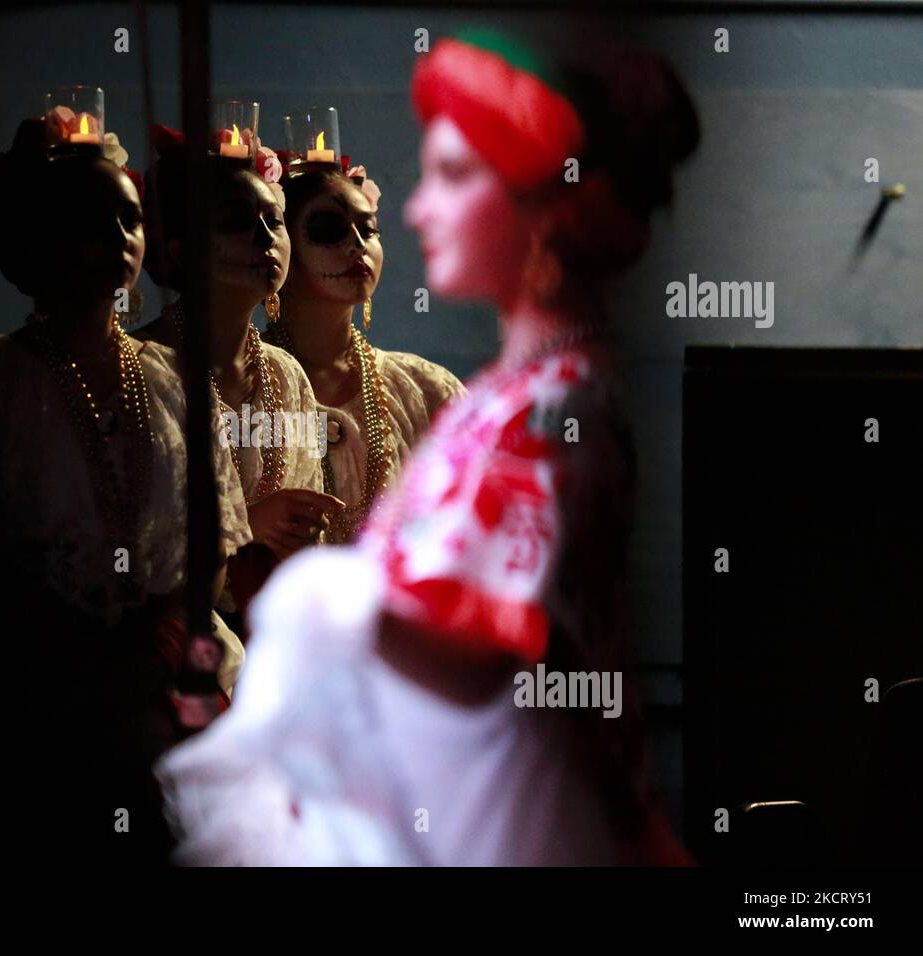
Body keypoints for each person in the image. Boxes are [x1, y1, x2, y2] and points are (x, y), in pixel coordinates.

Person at [156, 30, 699, 866]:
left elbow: (505, 648)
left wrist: (323, 610)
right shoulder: (499, 400)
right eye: (331, 228)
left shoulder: (542, 407)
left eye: (451, 176)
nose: (407, 216)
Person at [0, 118, 251, 862]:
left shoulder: (170, 375)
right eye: (92, 220)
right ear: (34, 241)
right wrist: (83, 658)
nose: (120, 236)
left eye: (130, 218)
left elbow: (213, 528)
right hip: (45, 674)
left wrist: (160, 639)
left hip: (167, 666)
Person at [135, 126, 343, 628]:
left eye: (274, 221)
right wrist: (247, 528)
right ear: (182, 251)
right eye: (235, 222)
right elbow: (133, 542)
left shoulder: (285, 374)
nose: (264, 238)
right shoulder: (146, 367)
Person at [264, 159, 465, 542]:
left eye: (368, 229)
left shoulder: (426, 391)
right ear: (282, 244)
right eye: (328, 230)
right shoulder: (246, 387)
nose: (357, 244)